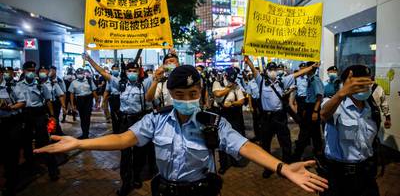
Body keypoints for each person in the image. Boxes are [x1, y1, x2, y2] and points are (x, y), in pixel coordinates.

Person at [34, 65, 328, 196]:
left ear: (201, 93)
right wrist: (81, 144)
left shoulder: (214, 122)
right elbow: (124, 139)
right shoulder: (156, 120)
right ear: (170, 94)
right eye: (180, 94)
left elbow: (244, 147)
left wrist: (282, 168)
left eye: (193, 94)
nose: (187, 100)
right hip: (164, 191)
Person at [83, 53, 153, 196]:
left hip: (139, 121)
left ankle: (137, 177)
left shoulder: (144, 84)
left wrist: (171, 57)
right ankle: (126, 183)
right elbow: (102, 72)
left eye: (134, 71)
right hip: (125, 122)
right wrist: (90, 60)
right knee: (125, 154)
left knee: (139, 152)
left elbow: (159, 74)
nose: (132, 73)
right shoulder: (119, 83)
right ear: (125, 72)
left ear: (138, 72)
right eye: (129, 71)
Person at [245, 56, 319, 178]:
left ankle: (287, 167)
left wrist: (311, 67)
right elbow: (254, 70)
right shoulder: (261, 81)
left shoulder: (282, 81)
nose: (273, 71)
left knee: (285, 142)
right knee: (265, 144)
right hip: (266, 118)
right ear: (267, 71)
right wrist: (248, 62)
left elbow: (297, 74)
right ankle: (268, 167)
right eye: (271, 69)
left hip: (279, 117)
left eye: (274, 69)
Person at [319, 65, 380, 196]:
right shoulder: (334, 104)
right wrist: (341, 93)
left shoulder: (372, 108)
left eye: (366, 82)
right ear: (346, 84)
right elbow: (324, 114)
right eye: (358, 83)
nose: (363, 87)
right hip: (338, 175)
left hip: (365, 173)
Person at [18, 61, 59, 180]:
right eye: (28, 70)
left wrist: (52, 116)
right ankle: (31, 168)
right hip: (26, 115)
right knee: (27, 143)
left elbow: (48, 101)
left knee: (44, 142)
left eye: (32, 70)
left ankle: (53, 170)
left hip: (39, 115)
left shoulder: (41, 85)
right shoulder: (18, 85)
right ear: (24, 71)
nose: (31, 73)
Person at [212, 66, 246, 174]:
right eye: (230, 78)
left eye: (233, 78)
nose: (232, 80)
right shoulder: (217, 83)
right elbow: (217, 94)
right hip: (220, 113)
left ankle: (234, 160)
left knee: (233, 137)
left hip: (232, 113)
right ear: (225, 75)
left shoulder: (237, 86)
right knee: (221, 138)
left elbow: (241, 100)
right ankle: (223, 164)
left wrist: (232, 103)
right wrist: (229, 88)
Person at [0, 66, 26, 196]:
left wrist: (9, 108)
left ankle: (12, 185)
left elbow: (22, 102)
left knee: (11, 154)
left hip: (10, 123)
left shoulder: (11, 86)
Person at [293, 62, 324, 161]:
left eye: (306, 68)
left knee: (305, 132)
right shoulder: (309, 79)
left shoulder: (315, 80)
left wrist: (315, 111)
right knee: (315, 132)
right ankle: (318, 152)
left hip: (313, 108)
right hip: (308, 107)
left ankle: (297, 155)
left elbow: (319, 97)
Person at [68, 67, 98, 139]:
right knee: (82, 117)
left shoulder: (89, 80)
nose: (80, 75)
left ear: (83, 73)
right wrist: (72, 105)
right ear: (76, 74)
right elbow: (71, 94)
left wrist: (97, 100)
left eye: (81, 73)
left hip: (88, 99)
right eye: (78, 73)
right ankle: (84, 133)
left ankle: (86, 134)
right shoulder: (73, 82)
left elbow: (93, 91)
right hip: (79, 100)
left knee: (87, 117)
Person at [38, 66, 67, 135]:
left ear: (48, 72)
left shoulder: (53, 82)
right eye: (40, 71)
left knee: (52, 121)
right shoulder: (36, 83)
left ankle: (53, 136)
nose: (42, 73)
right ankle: (57, 134)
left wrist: (63, 106)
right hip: (40, 106)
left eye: (44, 71)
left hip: (53, 105)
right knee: (42, 123)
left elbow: (60, 95)